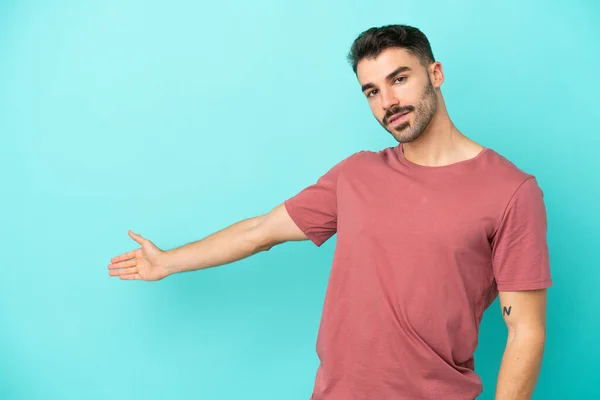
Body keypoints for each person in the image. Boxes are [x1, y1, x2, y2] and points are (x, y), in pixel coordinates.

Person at [108, 24, 552, 400]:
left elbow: (525, 333)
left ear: (435, 73)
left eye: (400, 80)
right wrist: (168, 261)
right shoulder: (357, 174)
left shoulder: (510, 191)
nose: (388, 102)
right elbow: (261, 230)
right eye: (372, 91)